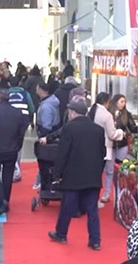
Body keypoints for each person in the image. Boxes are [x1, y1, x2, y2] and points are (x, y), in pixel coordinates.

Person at [45, 97, 107, 249]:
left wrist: (57, 175)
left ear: (73, 112)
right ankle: (95, 240)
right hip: (92, 176)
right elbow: (102, 153)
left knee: (67, 206)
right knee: (92, 210)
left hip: (72, 175)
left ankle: (61, 234)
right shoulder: (98, 130)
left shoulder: (69, 128)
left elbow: (62, 154)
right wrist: (98, 170)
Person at [0, 88, 29, 217]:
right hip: (11, 149)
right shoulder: (17, 113)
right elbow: (21, 132)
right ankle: (6, 200)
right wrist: (18, 145)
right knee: (8, 176)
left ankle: (1, 201)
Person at [89, 92, 124, 206]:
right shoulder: (107, 115)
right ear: (107, 102)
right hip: (105, 148)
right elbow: (111, 134)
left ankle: (92, 197)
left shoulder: (91, 110)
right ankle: (105, 194)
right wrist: (120, 133)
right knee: (108, 172)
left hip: (91, 146)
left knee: (93, 173)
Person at [111, 94, 138, 161]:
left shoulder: (127, 114)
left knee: (120, 163)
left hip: (122, 144)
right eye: (122, 102)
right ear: (115, 102)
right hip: (110, 144)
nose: (123, 104)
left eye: (125, 102)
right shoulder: (109, 113)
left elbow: (132, 127)